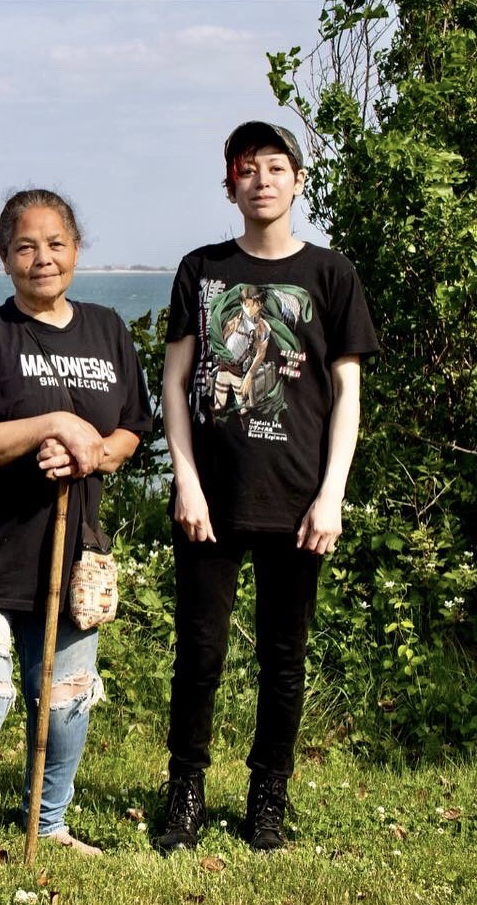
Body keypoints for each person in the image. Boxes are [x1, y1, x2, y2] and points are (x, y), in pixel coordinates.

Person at [0, 189, 152, 883]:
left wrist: (95, 453)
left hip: (68, 549)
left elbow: (130, 428)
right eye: (25, 246)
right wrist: (51, 425)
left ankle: (49, 822)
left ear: (76, 249)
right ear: (4, 257)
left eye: (54, 243)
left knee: (70, 691)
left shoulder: (107, 329)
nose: (41, 258)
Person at [156, 121, 377, 854]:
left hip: (297, 500)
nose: (262, 180)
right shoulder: (202, 268)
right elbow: (175, 382)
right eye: (247, 170)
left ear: (298, 181)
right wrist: (185, 482)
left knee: (285, 658)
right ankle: (184, 791)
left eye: (276, 167)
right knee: (200, 653)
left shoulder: (330, 273)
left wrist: (332, 495)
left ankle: (267, 799)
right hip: (210, 502)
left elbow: (346, 392)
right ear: (230, 183)